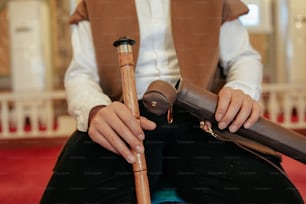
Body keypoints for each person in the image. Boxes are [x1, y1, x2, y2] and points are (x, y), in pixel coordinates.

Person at [41, 0, 303, 203]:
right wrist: (95, 110)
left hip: (202, 117)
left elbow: (242, 57)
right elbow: (81, 73)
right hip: (125, 119)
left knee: (269, 193)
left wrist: (240, 89)